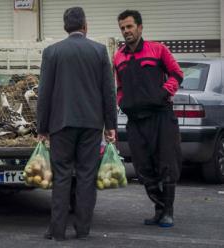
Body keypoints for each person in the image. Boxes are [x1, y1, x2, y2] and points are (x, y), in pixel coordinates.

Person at [36, 7, 117, 240]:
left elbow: (45, 93)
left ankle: (57, 230)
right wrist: (111, 125)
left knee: (61, 176)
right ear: (85, 25)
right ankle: (83, 229)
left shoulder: (52, 52)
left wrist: (42, 128)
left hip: (60, 124)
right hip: (92, 125)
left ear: (65, 27)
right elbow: (108, 92)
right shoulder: (99, 51)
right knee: (86, 176)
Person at [114, 10, 183, 227]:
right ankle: (159, 210)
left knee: (166, 165)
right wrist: (121, 101)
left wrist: (163, 92)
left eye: (130, 26)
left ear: (140, 27)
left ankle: (168, 212)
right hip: (136, 121)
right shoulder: (119, 56)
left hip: (161, 117)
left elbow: (177, 73)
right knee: (143, 168)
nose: (126, 31)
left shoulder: (158, 49)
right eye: (123, 28)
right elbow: (119, 87)